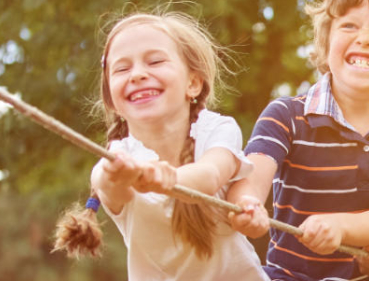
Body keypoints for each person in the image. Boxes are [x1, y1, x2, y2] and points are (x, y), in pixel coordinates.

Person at [53, 10, 270, 281]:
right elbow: (104, 180)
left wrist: (167, 179)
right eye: (122, 68)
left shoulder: (217, 129)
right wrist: (114, 174)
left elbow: (211, 175)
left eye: (155, 61)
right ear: (113, 100)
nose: (137, 74)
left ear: (192, 83)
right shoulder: (121, 154)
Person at [228, 0, 369, 280]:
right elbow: (250, 179)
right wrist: (247, 205)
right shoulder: (286, 115)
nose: (364, 39)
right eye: (349, 26)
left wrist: (341, 226)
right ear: (325, 43)